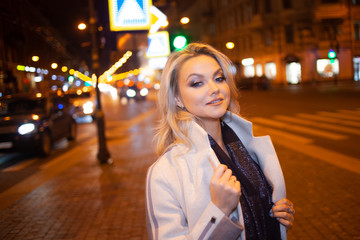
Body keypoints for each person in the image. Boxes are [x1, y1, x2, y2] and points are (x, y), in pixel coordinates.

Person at [145, 43, 295, 240]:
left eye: (219, 78)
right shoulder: (165, 172)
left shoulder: (249, 150)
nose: (215, 89)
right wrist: (219, 209)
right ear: (177, 99)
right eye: (197, 83)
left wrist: (277, 213)